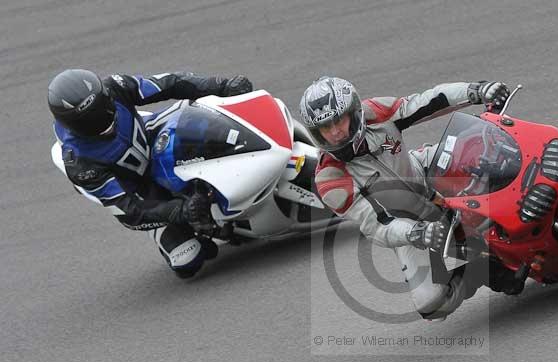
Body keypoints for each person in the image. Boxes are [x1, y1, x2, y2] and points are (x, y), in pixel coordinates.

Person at [299, 77, 515, 320]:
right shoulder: (330, 179)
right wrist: (416, 233)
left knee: (480, 145)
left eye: (339, 120)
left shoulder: (376, 113)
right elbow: (377, 225)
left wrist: (476, 91)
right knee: (431, 304)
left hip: (425, 171)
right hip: (410, 225)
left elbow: (428, 101)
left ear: (354, 112)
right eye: (325, 128)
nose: (335, 132)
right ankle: (481, 269)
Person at [48, 69, 253, 278]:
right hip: (140, 189)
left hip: (149, 137)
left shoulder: (116, 87)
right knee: (188, 259)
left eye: (102, 108)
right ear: (72, 125)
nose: (102, 119)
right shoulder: (80, 163)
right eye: (89, 120)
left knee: (203, 124)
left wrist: (222, 86)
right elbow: (129, 213)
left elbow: (170, 83)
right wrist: (182, 211)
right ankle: (186, 230)